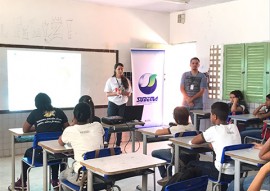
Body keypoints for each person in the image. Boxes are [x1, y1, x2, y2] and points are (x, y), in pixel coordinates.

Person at [8, 93, 69, 191]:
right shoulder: (59, 112)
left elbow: (25, 129)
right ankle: (55, 180)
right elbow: (67, 129)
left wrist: (37, 128)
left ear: (36, 103)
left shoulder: (35, 113)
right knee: (53, 150)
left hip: (41, 156)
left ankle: (22, 182)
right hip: (59, 155)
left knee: (28, 152)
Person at [189, 102, 241, 191]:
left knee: (191, 165)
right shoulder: (234, 127)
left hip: (221, 174)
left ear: (215, 116)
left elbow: (193, 141)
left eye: (211, 114)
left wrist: (210, 143)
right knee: (217, 163)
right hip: (237, 172)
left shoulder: (213, 130)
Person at [58, 102, 104, 191]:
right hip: (102, 175)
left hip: (82, 178)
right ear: (90, 115)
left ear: (74, 116)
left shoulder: (70, 130)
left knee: (62, 176)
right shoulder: (98, 126)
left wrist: (72, 124)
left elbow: (60, 142)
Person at [151, 106, 198, 186]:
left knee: (155, 153)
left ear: (176, 118)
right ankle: (168, 176)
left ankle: (166, 175)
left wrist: (171, 127)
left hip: (177, 156)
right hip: (191, 155)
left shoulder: (175, 128)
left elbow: (157, 132)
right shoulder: (192, 126)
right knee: (165, 151)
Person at [104, 63, 132, 147]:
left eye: (122, 69)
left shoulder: (126, 80)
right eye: (119, 69)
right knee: (110, 123)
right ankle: (106, 142)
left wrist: (122, 92)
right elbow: (107, 94)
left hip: (122, 104)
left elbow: (129, 93)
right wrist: (116, 93)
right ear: (115, 70)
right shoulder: (110, 80)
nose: (120, 70)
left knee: (120, 124)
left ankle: (118, 144)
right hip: (113, 104)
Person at [180, 57, 207, 129]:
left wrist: (191, 99)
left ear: (199, 65)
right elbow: (182, 88)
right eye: (193, 63)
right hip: (185, 104)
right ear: (190, 64)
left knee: (195, 125)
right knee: (182, 124)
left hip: (197, 105)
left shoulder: (202, 76)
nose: (194, 65)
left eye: (196, 63)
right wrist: (187, 99)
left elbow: (202, 91)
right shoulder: (185, 75)